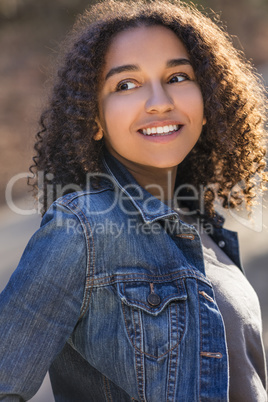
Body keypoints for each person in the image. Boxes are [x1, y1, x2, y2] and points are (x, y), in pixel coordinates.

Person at [0, 0, 267, 400]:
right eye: (126, 84)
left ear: (207, 99)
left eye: (178, 76)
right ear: (93, 119)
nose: (159, 100)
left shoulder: (207, 230)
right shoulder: (82, 228)